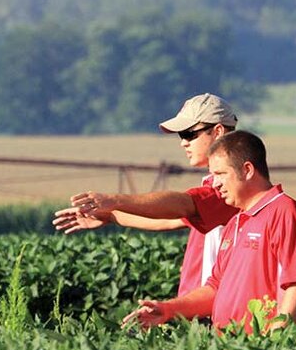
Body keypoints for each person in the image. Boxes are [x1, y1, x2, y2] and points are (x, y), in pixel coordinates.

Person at [121, 131, 296, 334]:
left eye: (220, 174)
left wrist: (275, 340)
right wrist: (168, 310)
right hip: (233, 349)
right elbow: (215, 289)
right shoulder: (234, 222)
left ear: (248, 170)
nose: (215, 183)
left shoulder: (285, 212)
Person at [53, 93, 239, 296]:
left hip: (213, 307)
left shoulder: (231, 187)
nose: (183, 143)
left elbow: (183, 204)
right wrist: (110, 215)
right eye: (181, 136)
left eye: (189, 134)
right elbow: (169, 221)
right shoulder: (213, 183)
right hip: (196, 306)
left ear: (218, 131)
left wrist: (114, 200)